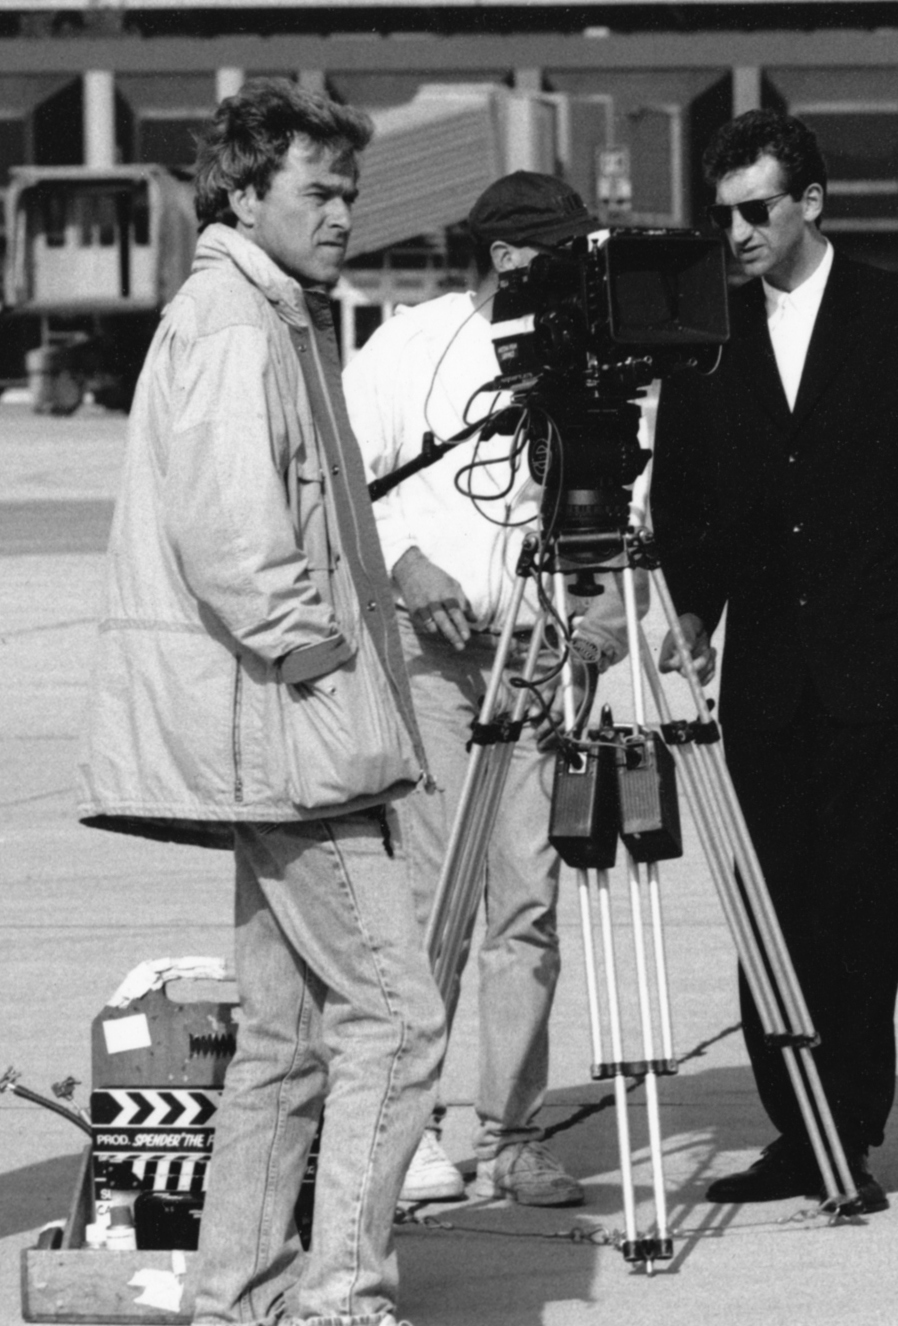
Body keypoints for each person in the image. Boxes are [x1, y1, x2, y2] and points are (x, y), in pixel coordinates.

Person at [75, 80, 445, 1325]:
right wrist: (325, 673)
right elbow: (236, 539)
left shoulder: (266, 311)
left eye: (351, 191)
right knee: (398, 1019)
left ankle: (236, 1287)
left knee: (285, 1041)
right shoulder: (235, 324)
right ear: (244, 194)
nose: (343, 213)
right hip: (296, 736)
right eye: (319, 192)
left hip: (286, 727)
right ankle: (341, 1288)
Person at [650, 109, 898, 1214]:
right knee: (771, 906)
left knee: (862, 907)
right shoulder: (709, 332)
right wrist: (691, 609)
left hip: (877, 666)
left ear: (812, 201)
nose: (739, 232)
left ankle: (847, 1125)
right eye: (725, 215)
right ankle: (795, 1127)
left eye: (758, 209)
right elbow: (686, 490)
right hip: (764, 675)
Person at [346, 171, 635, 1206]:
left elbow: (619, 493)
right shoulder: (407, 344)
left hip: (541, 654)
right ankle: (416, 1125)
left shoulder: (596, 350)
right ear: (508, 256)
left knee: (528, 906)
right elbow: (346, 489)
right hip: (432, 660)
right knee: (435, 903)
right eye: (556, 251)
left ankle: (512, 1134)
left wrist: (601, 617)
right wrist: (406, 565)